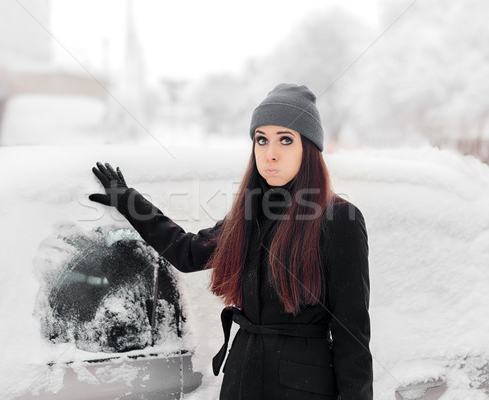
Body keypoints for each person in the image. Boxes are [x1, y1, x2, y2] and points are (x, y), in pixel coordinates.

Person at [89, 83, 373, 400]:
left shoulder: (339, 220)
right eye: (261, 140)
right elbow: (187, 252)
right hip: (242, 376)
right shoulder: (249, 215)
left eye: (285, 140)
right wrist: (129, 203)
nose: (271, 153)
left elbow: (353, 334)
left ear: (309, 149)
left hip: (303, 386)